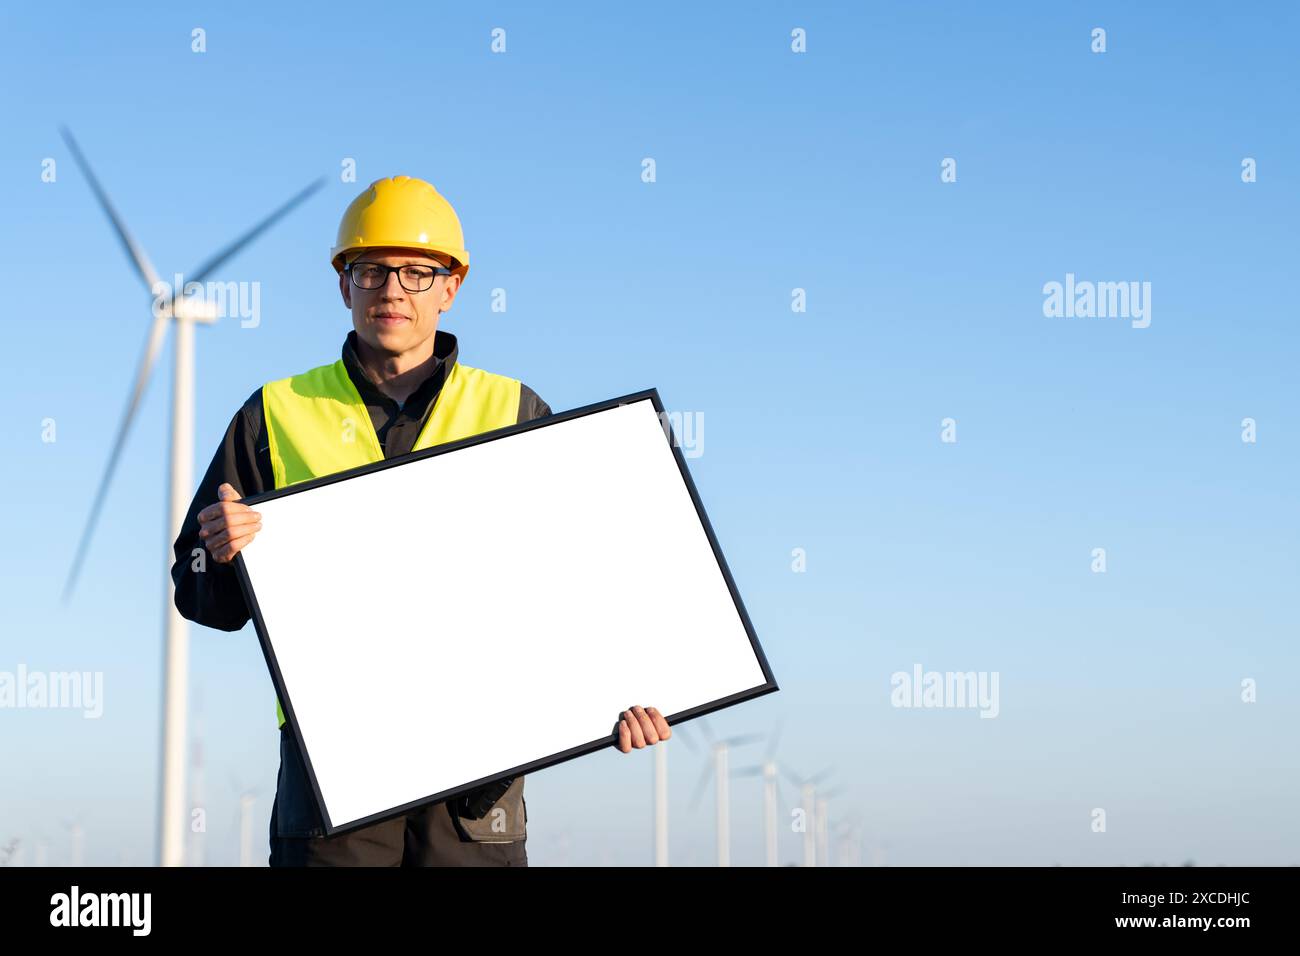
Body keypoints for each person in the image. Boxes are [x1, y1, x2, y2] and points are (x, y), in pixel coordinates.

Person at [170, 175, 670, 866]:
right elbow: (202, 599)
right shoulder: (272, 414)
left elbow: (587, 583)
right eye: (370, 269)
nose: (392, 290)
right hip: (330, 788)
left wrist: (628, 690)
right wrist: (220, 553)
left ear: (452, 286)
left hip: (479, 787)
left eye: (417, 271)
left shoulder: (517, 411)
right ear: (343, 284)